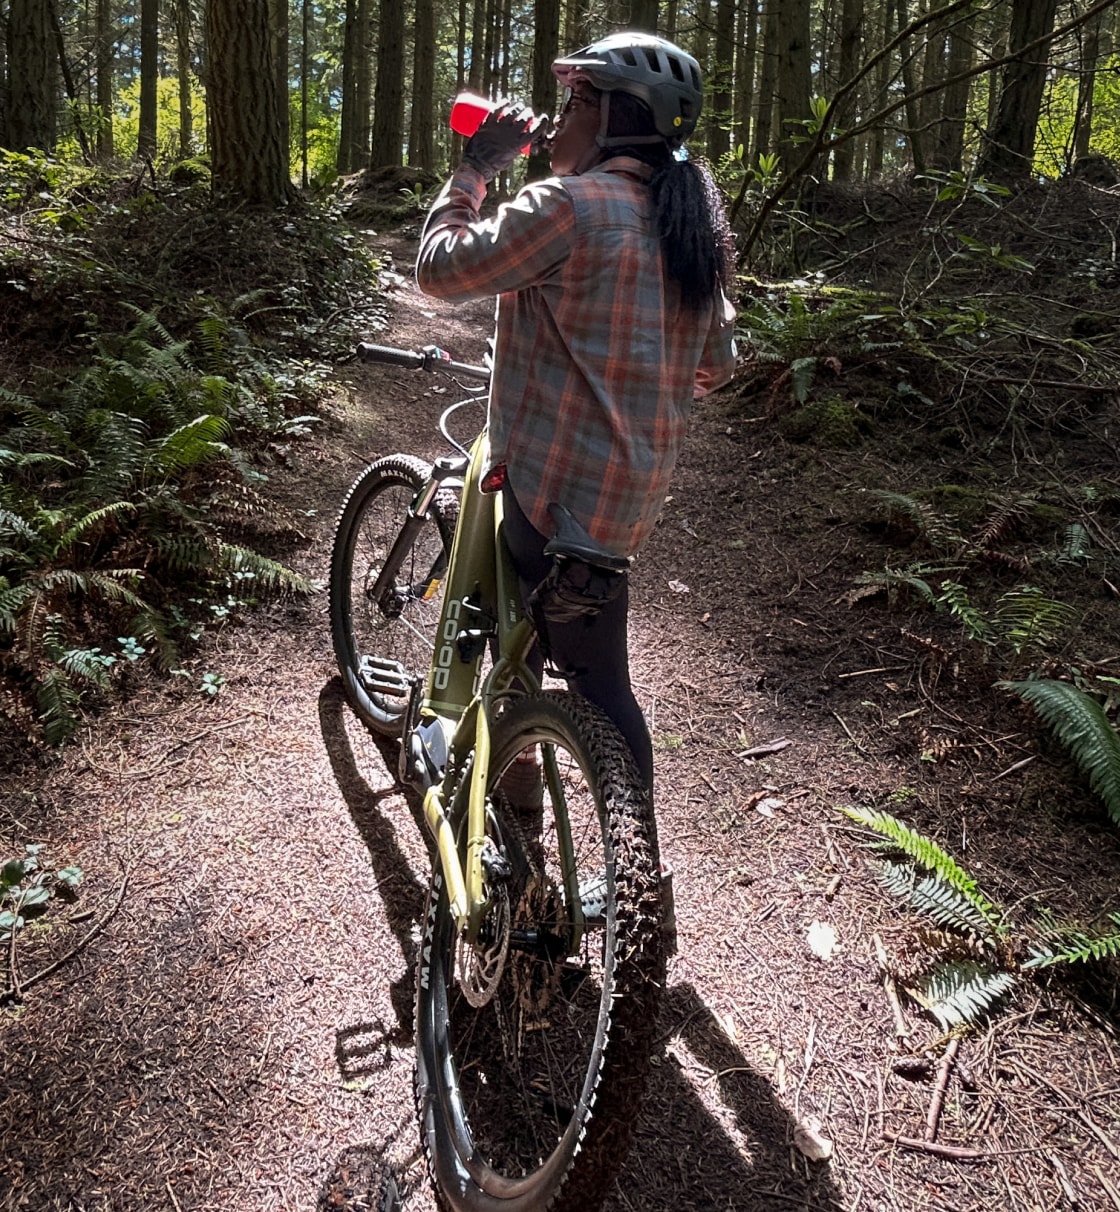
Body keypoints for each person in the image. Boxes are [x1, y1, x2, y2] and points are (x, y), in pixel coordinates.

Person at [416, 32, 737, 796]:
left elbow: (439, 269)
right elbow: (716, 367)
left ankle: (509, 762)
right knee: (600, 682)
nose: (557, 123)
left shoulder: (568, 205)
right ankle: (632, 871)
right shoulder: (689, 227)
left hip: (550, 489)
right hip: (625, 507)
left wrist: (476, 167)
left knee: (508, 574)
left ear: (615, 116)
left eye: (572, 103)